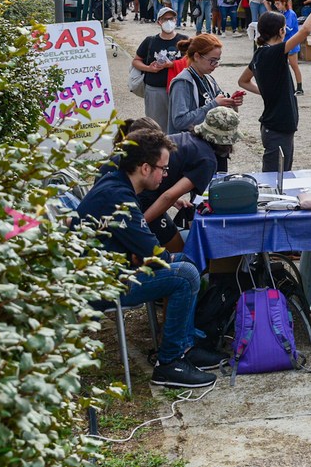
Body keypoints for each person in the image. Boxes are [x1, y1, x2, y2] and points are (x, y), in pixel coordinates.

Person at [76, 129, 223, 388]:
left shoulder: (116, 181)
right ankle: (169, 362)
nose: (166, 175)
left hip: (108, 271)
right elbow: (158, 257)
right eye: (163, 169)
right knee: (185, 274)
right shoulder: (120, 199)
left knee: (184, 264)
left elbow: (147, 251)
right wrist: (149, 255)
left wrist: (144, 254)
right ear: (145, 168)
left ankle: (185, 347)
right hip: (102, 286)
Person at [239, 0, 311, 171]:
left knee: (281, 173)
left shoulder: (260, 53)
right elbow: (305, 29)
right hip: (277, 127)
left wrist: (265, 91)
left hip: (275, 125)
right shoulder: (273, 52)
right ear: (281, 31)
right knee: (276, 177)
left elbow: (243, 81)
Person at [128, 110, 240, 251]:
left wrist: (175, 201)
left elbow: (165, 176)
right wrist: (139, 225)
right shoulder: (207, 160)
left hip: (133, 188)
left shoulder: (187, 138)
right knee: (180, 253)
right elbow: (168, 196)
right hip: (140, 198)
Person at [168, 34, 242, 134]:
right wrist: (214, 104)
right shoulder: (183, 82)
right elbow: (180, 122)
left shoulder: (208, 78)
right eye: (212, 60)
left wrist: (230, 102)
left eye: (217, 61)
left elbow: (219, 109)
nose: (215, 65)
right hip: (189, 145)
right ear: (197, 56)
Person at [134, 7, 188, 129]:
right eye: (165, 19)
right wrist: (149, 68)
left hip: (179, 90)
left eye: (171, 19)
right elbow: (136, 61)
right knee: (155, 125)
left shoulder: (184, 40)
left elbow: (193, 61)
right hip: (155, 90)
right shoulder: (150, 41)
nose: (169, 22)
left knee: (179, 124)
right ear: (159, 21)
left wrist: (173, 64)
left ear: (175, 20)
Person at [267, 0, 306, 96]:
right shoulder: (283, 13)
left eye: (278, 3)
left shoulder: (291, 14)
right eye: (275, 4)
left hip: (291, 43)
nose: (276, 6)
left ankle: (299, 87)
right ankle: (284, 87)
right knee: (282, 66)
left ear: (284, 3)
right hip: (284, 43)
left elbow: (288, 29)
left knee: (294, 65)